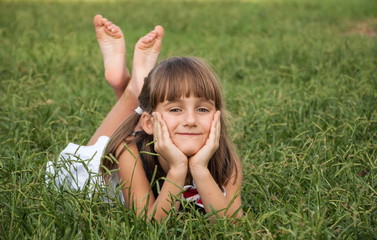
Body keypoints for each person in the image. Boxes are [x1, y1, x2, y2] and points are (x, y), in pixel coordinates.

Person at [47, 15, 243, 221]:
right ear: (148, 124)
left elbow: (232, 224)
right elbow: (149, 226)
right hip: (97, 176)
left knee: (155, 116)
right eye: (176, 109)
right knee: (85, 160)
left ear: (217, 116)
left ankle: (134, 89)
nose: (191, 120)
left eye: (202, 109)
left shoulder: (226, 159)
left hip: (153, 130)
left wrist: (199, 168)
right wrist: (177, 169)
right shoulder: (128, 152)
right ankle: (132, 92)